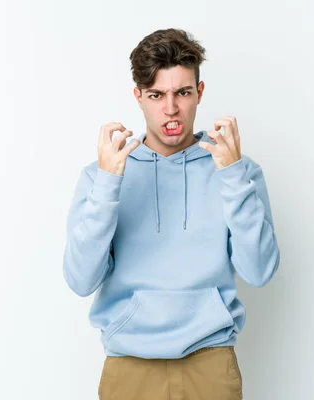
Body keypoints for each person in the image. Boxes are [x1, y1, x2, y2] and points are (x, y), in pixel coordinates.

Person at [63, 28, 281, 400]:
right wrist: (107, 185)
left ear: (199, 92)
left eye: (182, 92)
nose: (171, 109)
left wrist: (231, 176)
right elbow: (81, 280)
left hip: (210, 362)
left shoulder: (235, 170)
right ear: (139, 97)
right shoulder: (103, 175)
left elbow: (259, 272)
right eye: (156, 95)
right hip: (129, 365)